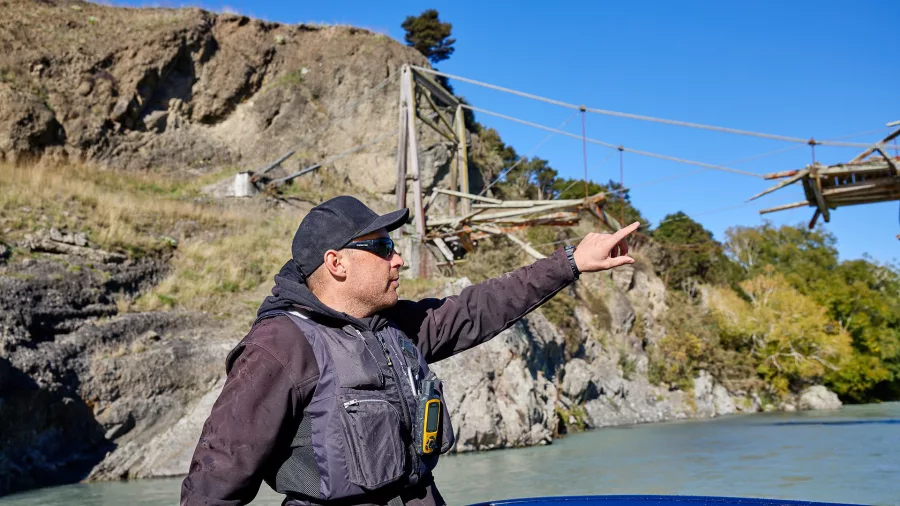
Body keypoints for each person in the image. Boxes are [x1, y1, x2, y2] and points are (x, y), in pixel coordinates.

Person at [180, 195, 639, 506]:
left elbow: (483, 307)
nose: (397, 258)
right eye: (380, 247)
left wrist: (571, 262)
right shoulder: (282, 345)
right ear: (335, 263)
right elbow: (216, 479)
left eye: (393, 246)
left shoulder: (395, 328)